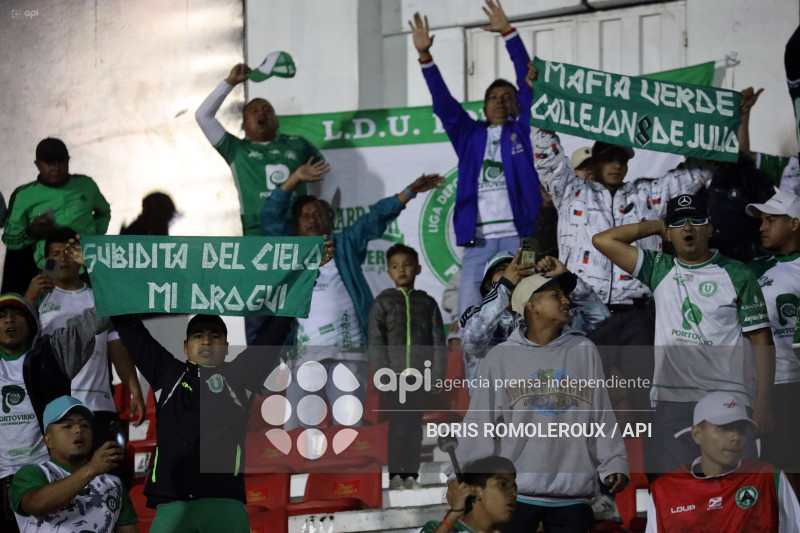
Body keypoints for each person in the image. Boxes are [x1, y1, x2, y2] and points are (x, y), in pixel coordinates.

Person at [592, 193, 775, 475]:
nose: (688, 228)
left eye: (696, 220)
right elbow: (603, 241)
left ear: (710, 228)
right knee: (677, 492)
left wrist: (763, 403)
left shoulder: (738, 273)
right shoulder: (659, 267)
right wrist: (657, 225)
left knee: (735, 491)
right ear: (668, 233)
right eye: (678, 222)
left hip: (728, 398)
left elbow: (762, 341)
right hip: (671, 401)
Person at [260, 169, 444, 429]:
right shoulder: (289, 253)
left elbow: (374, 219)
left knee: (349, 430)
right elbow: (268, 219)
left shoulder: (344, 245)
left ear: (328, 220)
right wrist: (295, 179)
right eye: (305, 216)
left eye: (318, 214)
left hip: (350, 353)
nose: (313, 220)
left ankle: (349, 472)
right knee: (297, 435)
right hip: (303, 358)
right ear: (295, 225)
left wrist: (409, 192)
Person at [452, 271, 629, 532]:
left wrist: (614, 461)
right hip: (517, 494)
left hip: (574, 494)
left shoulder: (584, 350)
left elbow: (601, 414)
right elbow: (481, 421)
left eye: (565, 295)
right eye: (556, 295)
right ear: (531, 305)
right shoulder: (501, 357)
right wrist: (463, 476)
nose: (566, 301)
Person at [410, 0, 542, 316]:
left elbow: (529, 85)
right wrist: (425, 57)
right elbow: (444, 104)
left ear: (516, 105)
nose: (499, 102)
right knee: (471, 315)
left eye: (506, 97)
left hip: (525, 239)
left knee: (526, 311)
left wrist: (510, 34)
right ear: (482, 107)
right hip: (476, 242)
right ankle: (478, 369)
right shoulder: (469, 137)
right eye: (492, 98)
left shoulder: (525, 131)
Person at [196, 60, 328, 344]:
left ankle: (299, 373)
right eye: (253, 110)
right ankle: (258, 382)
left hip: (294, 242)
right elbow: (203, 117)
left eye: (267, 109)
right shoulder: (237, 150)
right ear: (243, 124)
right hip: (256, 245)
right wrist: (229, 83)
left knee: (298, 314)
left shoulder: (298, 144)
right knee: (258, 313)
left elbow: (319, 180)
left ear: (277, 119)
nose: (261, 113)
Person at [24, 228, 146, 460]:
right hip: (57, 409)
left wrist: (135, 390)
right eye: (56, 254)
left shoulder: (98, 296)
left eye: (69, 252)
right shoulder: (39, 297)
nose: (62, 259)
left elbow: (116, 347)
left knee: (107, 480)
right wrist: (29, 299)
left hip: (98, 406)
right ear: (47, 259)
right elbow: (22, 348)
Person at [0, 291, 109, 533]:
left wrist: (124, 289)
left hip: (46, 480)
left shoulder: (53, 354)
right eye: (2, 315)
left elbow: (96, 317)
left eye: (17, 314)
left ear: (31, 323)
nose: (9, 321)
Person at [646, 392, 800, 532]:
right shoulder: (664, 489)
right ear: (697, 434)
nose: (736, 437)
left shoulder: (769, 478)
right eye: (724, 428)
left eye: (741, 429)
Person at [459, 252, 609, 384]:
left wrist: (566, 276)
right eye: (502, 270)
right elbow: (473, 343)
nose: (513, 273)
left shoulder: (545, 317)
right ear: (488, 285)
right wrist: (505, 285)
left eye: (518, 268)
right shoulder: (475, 315)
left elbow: (601, 319)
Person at [368, 244, 446, 490]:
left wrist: (436, 374)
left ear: (418, 268)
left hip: (419, 377)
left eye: (407, 264)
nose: (401, 270)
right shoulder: (382, 302)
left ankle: (411, 474)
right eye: (394, 266)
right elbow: (376, 340)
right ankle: (395, 475)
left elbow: (438, 342)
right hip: (395, 376)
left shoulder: (428, 303)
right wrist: (381, 372)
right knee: (399, 426)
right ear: (389, 272)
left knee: (414, 427)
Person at [9, 396, 137, 532]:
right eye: (67, 426)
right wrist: (91, 469)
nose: (78, 430)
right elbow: (36, 505)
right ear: (48, 440)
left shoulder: (114, 484)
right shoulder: (33, 473)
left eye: (84, 425)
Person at [2, 138, 110, 295]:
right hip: (51, 265)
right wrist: (31, 232)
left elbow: (103, 212)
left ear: (68, 161)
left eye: (61, 161)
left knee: (95, 311)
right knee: (52, 309)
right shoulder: (24, 195)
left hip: (85, 259)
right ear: (37, 164)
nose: (56, 167)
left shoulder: (86, 185)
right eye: (49, 162)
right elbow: (10, 239)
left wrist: (93, 236)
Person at [746, 191, 800, 497]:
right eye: (761, 220)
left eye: (770, 220)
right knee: (768, 470)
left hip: (792, 385)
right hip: (756, 385)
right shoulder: (752, 266)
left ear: (794, 223)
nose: (762, 227)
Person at [421, 456, 517, 533]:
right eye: (502, 485)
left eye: (514, 487)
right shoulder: (435, 528)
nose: (513, 493)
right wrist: (453, 515)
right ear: (475, 490)